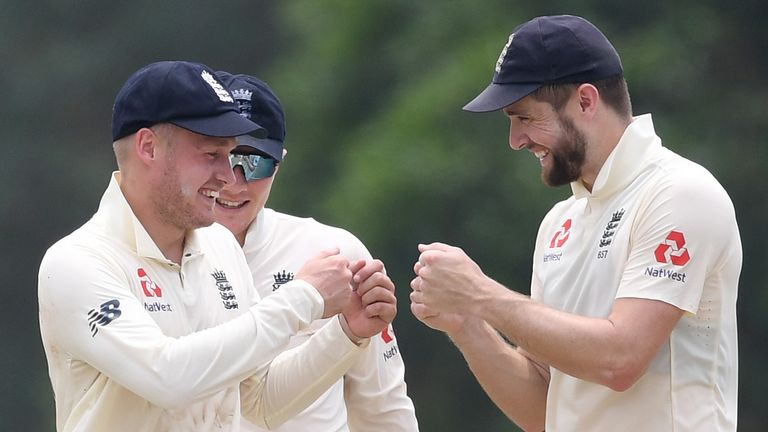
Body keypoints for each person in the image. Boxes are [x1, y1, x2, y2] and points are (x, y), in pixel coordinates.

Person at [409, 15, 741, 432]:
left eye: (525, 118)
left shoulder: (680, 192)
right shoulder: (559, 222)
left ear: (586, 101)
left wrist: (481, 294)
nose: (515, 140)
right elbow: (542, 410)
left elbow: (620, 359)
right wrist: (467, 324)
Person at [38, 60, 398, 432]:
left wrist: (347, 334)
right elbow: (169, 378)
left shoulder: (219, 246)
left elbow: (259, 402)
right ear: (148, 147)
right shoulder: (75, 262)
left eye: (233, 156)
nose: (228, 177)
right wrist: (304, 297)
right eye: (212, 155)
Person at [213, 71, 419, 432]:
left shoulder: (336, 252)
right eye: (225, 160)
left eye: (255, 163)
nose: (235, 182)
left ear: (280, 162)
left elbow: (383, 407)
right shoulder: (155, 259)